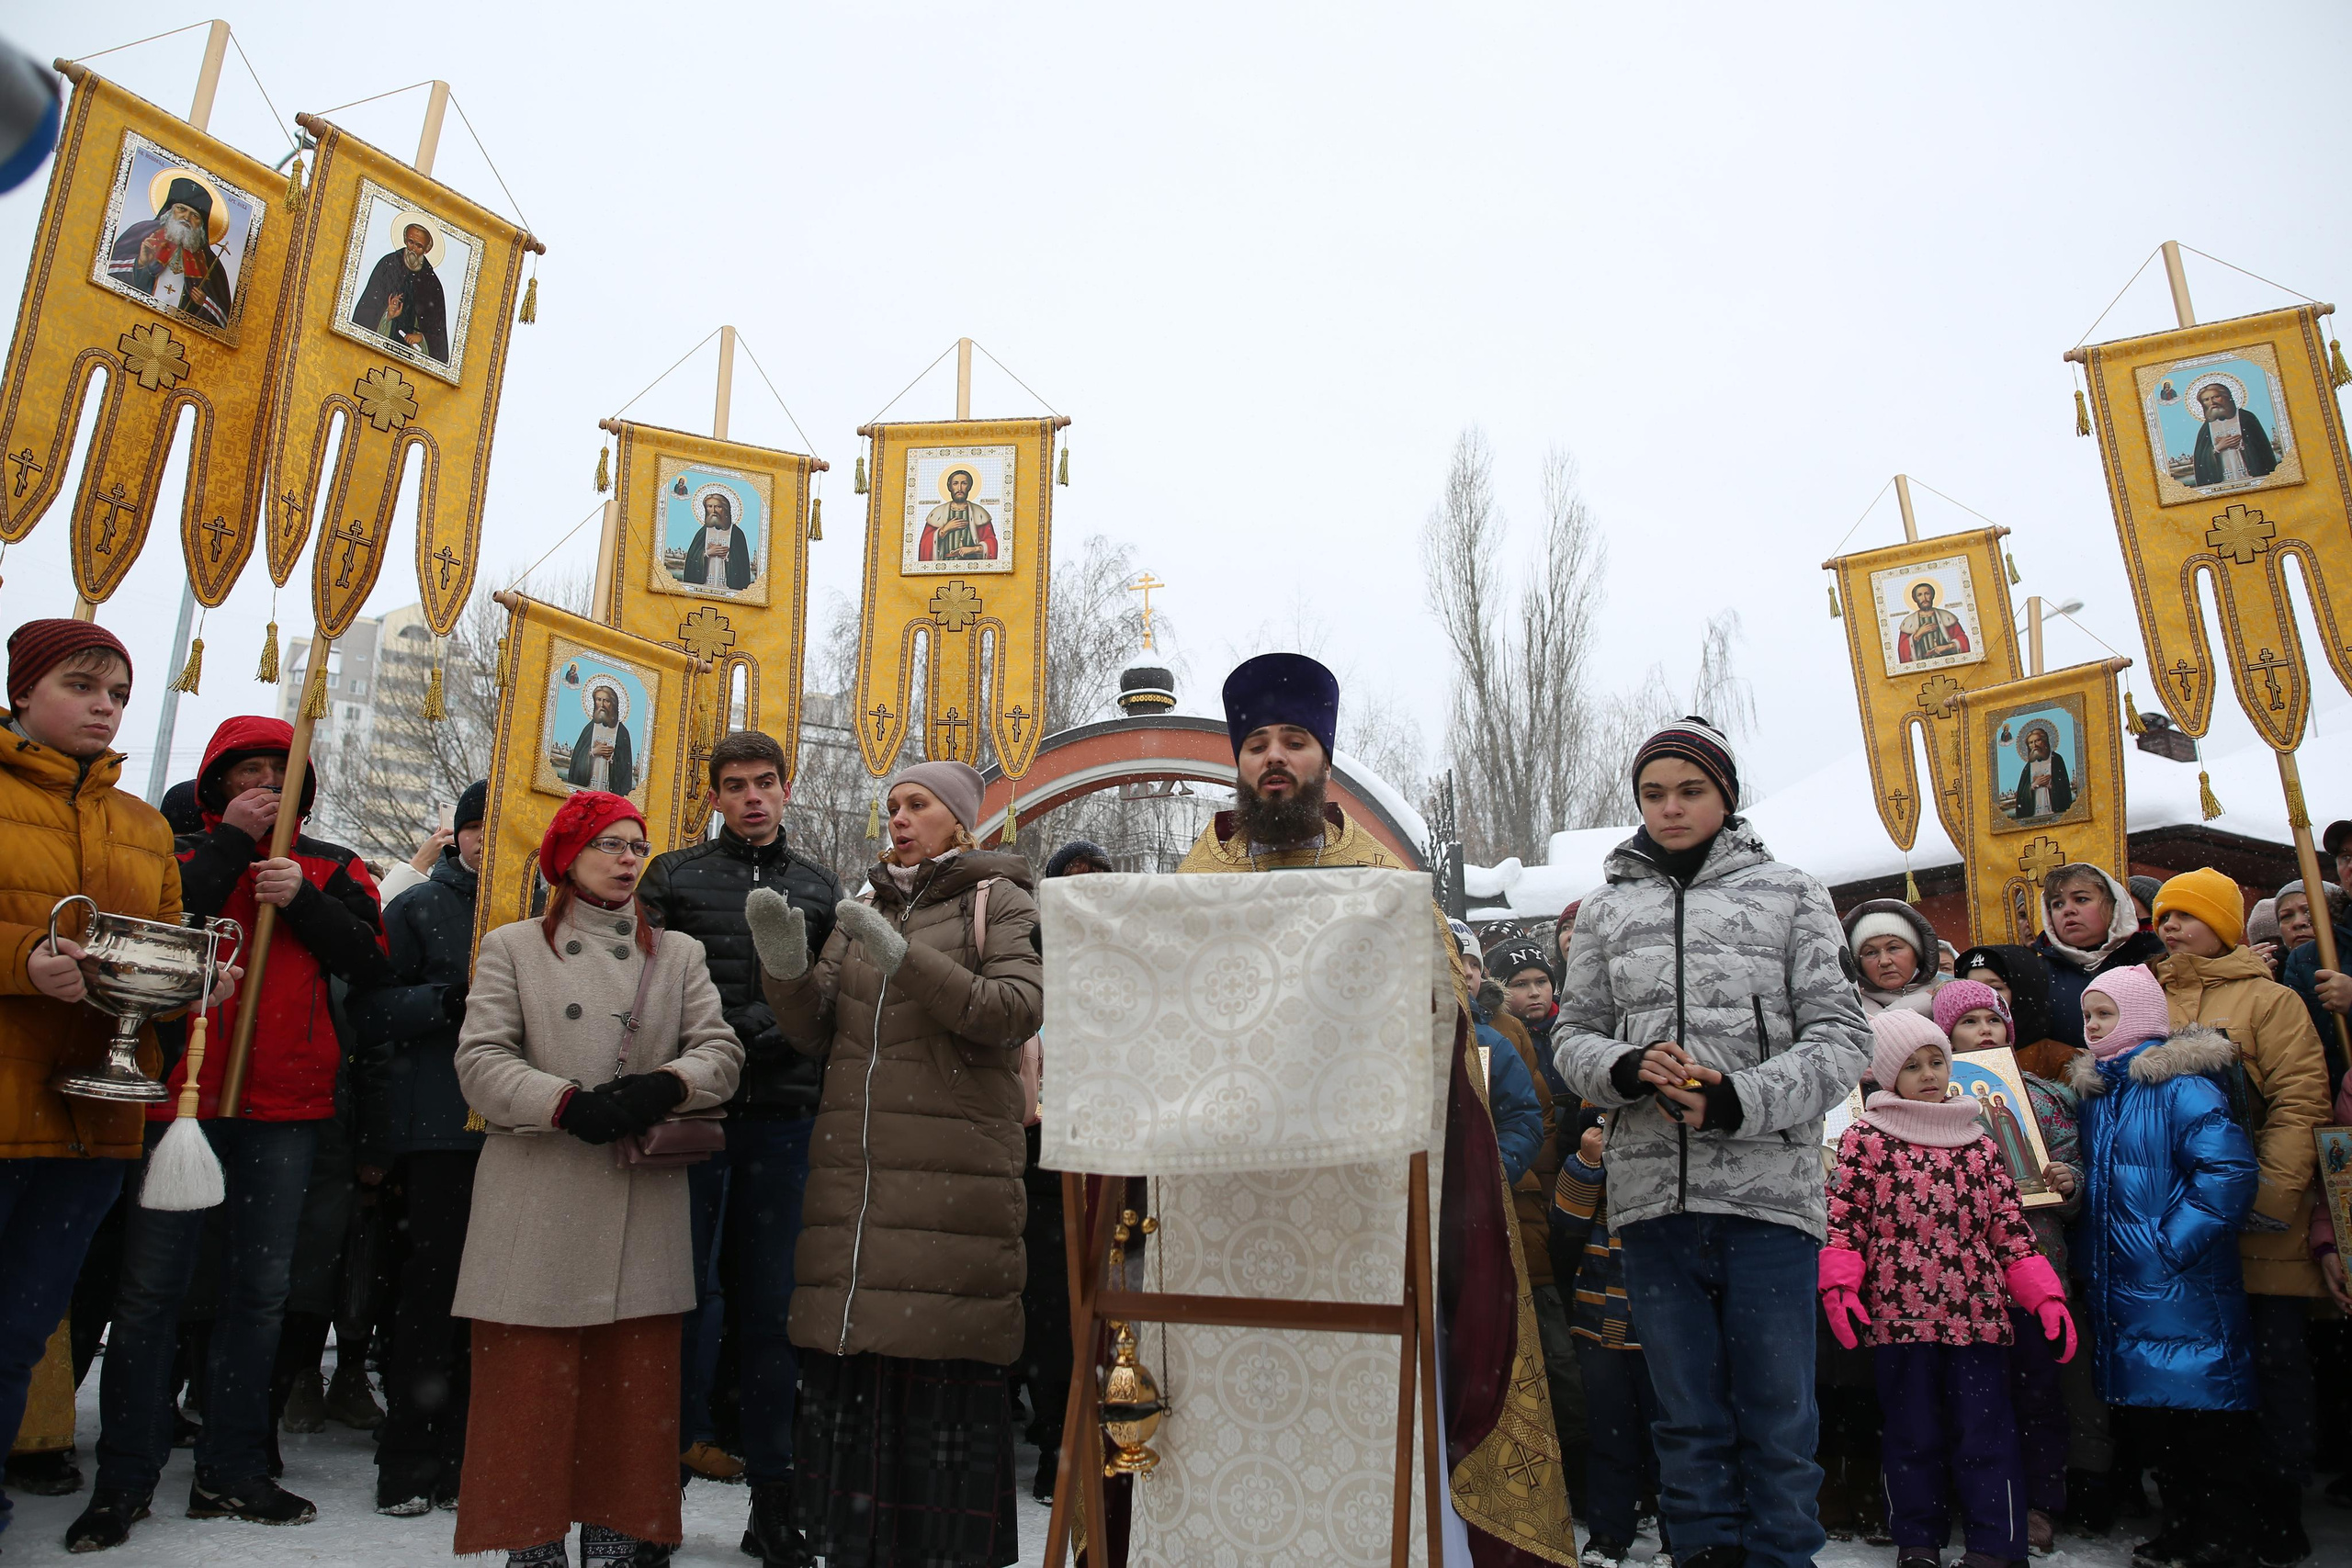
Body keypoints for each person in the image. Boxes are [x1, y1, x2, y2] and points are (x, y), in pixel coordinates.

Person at [1154, 653, 1574, 1557]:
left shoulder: (1382, 880)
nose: (1275, 758)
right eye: (1258, 743)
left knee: (1370, 1405)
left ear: (1323, 759)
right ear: (1237, 761)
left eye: (1293, 742)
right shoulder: (1194, 877)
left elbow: (1439, 1038)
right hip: (1222, 1212)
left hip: (1358, 1210)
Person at [1555, 716, 1874, 1568]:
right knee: (1686, 1417)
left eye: (1690, 790)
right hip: (1652, 1200)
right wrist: (1626, 1069)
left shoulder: (1792, 893)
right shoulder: (1608, 910)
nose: (1670, 808)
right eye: (1653, 793)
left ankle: (1781, 1558)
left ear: (1725, 796)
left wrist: (1736, 1097)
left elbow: (1842, 1038)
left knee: (1777, 1417)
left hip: (1769, 1201)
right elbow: (1572, 1035)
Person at [74, 716, 388, 1549]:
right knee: (151, 1293)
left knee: (261, 1292)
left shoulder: (335, 866)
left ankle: (233, 1464)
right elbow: (156, 926)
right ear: (216, 783)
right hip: (181, 1098)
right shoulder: (176, 856)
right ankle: (125, 1474)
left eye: (277, 775)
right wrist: (230, 853)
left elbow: (369, 959)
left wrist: (306, 899)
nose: (261, 787)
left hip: (285, 1103)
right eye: (245, 772)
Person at [742, 758, 1036, 1567]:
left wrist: (906, 958)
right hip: (860, 1186)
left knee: (936, 1374)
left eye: (918, 805)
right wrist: (785, 967)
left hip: (951, 1183)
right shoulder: (866, 902)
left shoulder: (997, 898)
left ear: (959, 820)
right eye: (893, 805)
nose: (899, 818)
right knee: (861, 1387)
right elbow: (815, 1031)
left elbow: (1011, 1012)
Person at [449, 790, 743, 1565]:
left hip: (636, 1199)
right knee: (529, 1387)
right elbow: (479, 1062)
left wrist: (666, 1085)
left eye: (634, 846)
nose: (625, 860)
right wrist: (562, 1102)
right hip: (536, 1194)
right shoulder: (512, 946)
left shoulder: (676, 954)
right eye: (608, 844)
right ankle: (533, 1538)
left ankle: (617, 1531)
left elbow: (722, 1051)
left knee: (631, 1386)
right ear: (567, 857)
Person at [0, 623, 217, 1552]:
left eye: (119, 694)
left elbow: (158, 946)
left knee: (17, 1336)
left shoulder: (139, 824)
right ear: (22, 693)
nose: (103, 705)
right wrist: (20, 958)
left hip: (94, 1118)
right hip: (5, 1103)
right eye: (82, 685)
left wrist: (194, 982)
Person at [638, 730, 841, 1563]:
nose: (753, 797)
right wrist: (717, 1050)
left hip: (784, 1119)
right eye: (735, 785)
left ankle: (775, 1496)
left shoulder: (819, 887)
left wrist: (746, 1038)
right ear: (713, 797)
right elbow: (644, 984)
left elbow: (824, 998)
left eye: (766, 782)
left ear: (787, 791)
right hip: (693, 1117)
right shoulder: (675, 877)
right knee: (679, 1305)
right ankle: (655, 1496)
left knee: (770, 1313)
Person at [1822, 1010, 2073, 1568]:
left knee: (1986, 1433)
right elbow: (1844, 1219)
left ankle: (1996, 1545)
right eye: (1912, 1066)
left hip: (1978, 1317)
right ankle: (1918, 1541)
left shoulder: (1977, 1140)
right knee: (1912, 1435)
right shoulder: (1868, 1139)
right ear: (1888, 1076)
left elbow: (2008, 1224)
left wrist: (2043, 1294)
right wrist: (1841, 1286)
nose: (1929, 1074)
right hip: (1900, 1317)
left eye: (1937, 1060)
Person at [2150, 867, 2332, 1564]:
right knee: (2189, 1378)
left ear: (2225, 924)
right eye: (2163, 916)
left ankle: (2277, 1506)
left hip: (2260, 1223)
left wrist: (2266, 1197)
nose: (2170, 927)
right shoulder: (2146, 994)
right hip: (2176, 1229)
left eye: (2187, 916)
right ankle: (2194, 1509)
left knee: (2273, 1366)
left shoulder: (2271, 1000)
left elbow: (2300, 1101)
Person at [2065, 964, 2259, 1568]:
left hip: (2184, 1287)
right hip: (2129, 1288)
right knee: (2162, 1427)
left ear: (2143, 1017)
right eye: (2088, 1015)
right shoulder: (2103, 1091)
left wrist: (2173, 1246)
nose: (2093, 1026)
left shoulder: (2182, 1085)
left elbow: (2227, 1172)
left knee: (2206, 1423)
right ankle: (2181, 1527)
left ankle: (2224, 1536)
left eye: (2106, 1014)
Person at [345, 780, 488, 1515]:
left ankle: (466, 1454)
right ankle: (406, 1457)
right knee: (428, 1296)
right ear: (457, 834)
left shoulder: (542, 913)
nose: (486, 840)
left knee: (491, 1306)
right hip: (438, 1131)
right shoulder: (420, 906)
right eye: (476, 826)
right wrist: (445, 1000)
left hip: (517, 1134)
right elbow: (367, 1007)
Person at [1933, 979, 2086, 1550]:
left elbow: (2071, 1162)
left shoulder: (2040, 1098)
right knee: (1971, 1393)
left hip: (2033, 1259)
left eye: (1992, 1020)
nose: (1984, 1031)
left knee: (2037, 1387)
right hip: (1957, 1273)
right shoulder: (1929, 1102)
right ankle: (1980, 1498)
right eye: (1969, 1022)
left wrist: (2069, 1184)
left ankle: (2041, 1500)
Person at [1016, 840, 1111, 1505]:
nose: (1082, 894)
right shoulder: (1027, 960)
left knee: (1106, 1308)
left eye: (1095, 882)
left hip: (1110, 1154)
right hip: (1040, 1157)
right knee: (1049, 1311)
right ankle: (1054, 1443)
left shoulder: (1132, 959)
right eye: (1069, 883)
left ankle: (1098, 1436)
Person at [1552, 1100, 1669, 1568]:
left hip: (1665, 1325)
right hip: (1599, 1320)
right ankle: (1607, 1534)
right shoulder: (1596, 1140)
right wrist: (1587, 1161)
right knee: (1609, 1435)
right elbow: (1567, 1222)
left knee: (1674, 1437)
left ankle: (1680, 1536)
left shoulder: (1676, 1154)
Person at [2032, 864, 2165, 1051]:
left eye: (2081, 899)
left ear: (2113, 905)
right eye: (2057, 904)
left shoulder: (2156, 957)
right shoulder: (2035, 972)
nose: (2068, 910)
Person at [106, 173, 234, 329]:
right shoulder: (143, 234)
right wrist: (139, 263)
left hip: (175, 333)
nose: (186, 217)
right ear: (169, 211)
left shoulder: (210, 263)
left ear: (201, 225)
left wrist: (204, 303)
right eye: (181, 209)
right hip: (129, 320)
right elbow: (105, 271)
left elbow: (225, 322)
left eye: (195, 215)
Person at [351, 220, 449, 361]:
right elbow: (366, 310)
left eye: (419, 246)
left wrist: (421, 338)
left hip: (411, 356)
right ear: (405, 240)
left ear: (426, 249)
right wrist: (387, 315)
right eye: (410, 242)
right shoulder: (388, 266)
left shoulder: (432, 283)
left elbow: (437, 334)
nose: (413, 249)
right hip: (380, 348)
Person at [1841, 897, 1947, 1018]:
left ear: (1917, 953)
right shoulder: (1849, 1008)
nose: (1884, 961)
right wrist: (1924, 1001)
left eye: (1893, 948)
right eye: (1870, 953)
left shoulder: (1952, 995)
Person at [2189, 380, 2278, 486]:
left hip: (2250, 477)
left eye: (2216, 397)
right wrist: (2217, 448)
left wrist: (2242, 444)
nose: (2212, 402)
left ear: (2227, 397)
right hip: (2224, 480)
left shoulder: (2246, 418)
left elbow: (2262, 448)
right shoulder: (2206, 428)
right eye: (2206, 400)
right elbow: (2201, 459)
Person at [565, 683, 637, 797]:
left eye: (606, 701)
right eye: (599, 700)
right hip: (587, 792)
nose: (602, 705)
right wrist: (593, 752)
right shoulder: (589, 729)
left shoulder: (622, 732)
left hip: (609, 795)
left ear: (613, 704)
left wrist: (612, 758)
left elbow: (625, 770)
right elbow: (577, 760)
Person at [918, 468, 998, 562]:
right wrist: (944, 530)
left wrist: (974, 549)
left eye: (964, 483)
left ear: (969, 487)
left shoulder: (979, 513)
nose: (959, 488)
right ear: (950, 487)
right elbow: (924, 544)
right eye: (955, 484)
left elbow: (992, 542)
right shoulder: (937, 513)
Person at [678, 491, 753, 592]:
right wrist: (707, 553)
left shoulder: (736, 533)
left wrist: (727, 556)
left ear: (725, 509)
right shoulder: (702, 533)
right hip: (704, 588)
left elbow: (742, 564)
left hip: (727, 589)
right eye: (709, 506)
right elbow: (692, 559)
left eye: (718, 507)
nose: (713, 511)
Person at [2011, 723, 2075, 822]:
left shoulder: (2056, 759)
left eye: (2037, 741)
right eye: (2031, 743)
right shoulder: (2028, 767)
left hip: (2053, 809)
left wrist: (2051, 784)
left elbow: (2064, 786)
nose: (2034, 745)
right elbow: (2022, 794)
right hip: (2035, 811)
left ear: (2045, 741)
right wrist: (2034, 785)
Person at [1896, 579, 1970, 663]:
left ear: (1932, 596)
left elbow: (1963, 639)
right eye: (1920, 595)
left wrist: (1947, 647)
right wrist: (1917, 635)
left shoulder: (1947, 617)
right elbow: (1902, 649)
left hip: (1948, 661)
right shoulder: (1908, 622)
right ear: (1915, 599)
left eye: (1927, 594)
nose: (1924, 598)